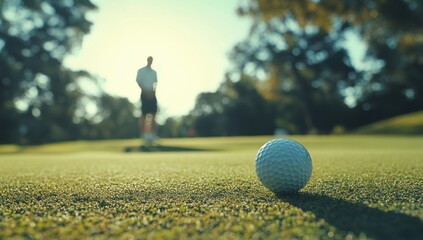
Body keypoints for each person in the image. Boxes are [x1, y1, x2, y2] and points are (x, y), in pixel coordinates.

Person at [136, 56, 158, 143]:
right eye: (149, 60)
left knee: (154, 114)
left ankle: (152, 135)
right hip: (144, 94)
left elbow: (155, 83)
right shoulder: (141, 71)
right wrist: (145, 91)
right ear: (147, 60)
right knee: (143, 116)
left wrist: (153, 92)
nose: (150, 61)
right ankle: (144, 135)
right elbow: (138, 81)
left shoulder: (154, 72)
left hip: (152, 94)